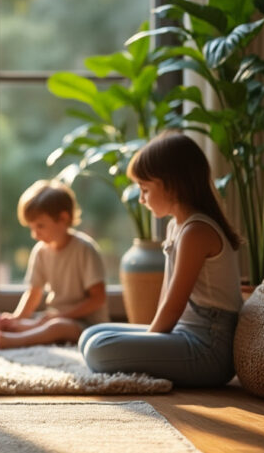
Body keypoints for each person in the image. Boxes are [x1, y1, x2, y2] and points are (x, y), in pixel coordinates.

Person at [79, 132, 243, 387]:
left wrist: (149, 341)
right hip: (183, 332)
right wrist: (148, 341)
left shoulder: (196, 232)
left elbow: (174, 307)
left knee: (98, 349)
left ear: (172, 184)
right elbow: (167, 296)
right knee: (91, 335)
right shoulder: (176, 226)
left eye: (145, 189)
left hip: (209, 349)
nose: (141, 199)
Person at [0, 180, 108, 349]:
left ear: (63, 218)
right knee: (30, 323)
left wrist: (62, 316)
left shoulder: (85, 248)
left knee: (56, 327)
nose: (34, 234)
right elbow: (34, 293)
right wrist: (16, 318)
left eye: (40, 226)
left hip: (86, 324)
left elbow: (98, 299)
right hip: (55, 316)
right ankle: (22, 331)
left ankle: (16, 341)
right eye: (31, 228)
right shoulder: (40, 251)